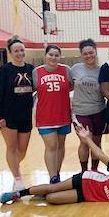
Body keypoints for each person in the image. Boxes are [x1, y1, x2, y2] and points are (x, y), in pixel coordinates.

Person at [0, 125, 109, 204]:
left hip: (87, 196)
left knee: (51, 199)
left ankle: (40, 193)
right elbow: (100, 155)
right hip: (87, 179)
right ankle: (19, 194)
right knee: (52, 188)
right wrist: (87, 139)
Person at [0, 37, 34, 191]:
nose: (20, 53)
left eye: (22, 50)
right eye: (16, 51)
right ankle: (17, 179)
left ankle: (15, 170)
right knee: (11, 148)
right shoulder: (4, 70)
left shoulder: (31, 69)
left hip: (25, 115)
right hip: (8, 116)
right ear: (10, 53)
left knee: (22, 150)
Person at [33, 44, 72, 184]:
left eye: (56, 55)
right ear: (45, 55)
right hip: (45, 116)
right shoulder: (36, 72)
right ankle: (52, 177)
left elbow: (70, 86)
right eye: (51, 54)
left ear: (60, 56)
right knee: (51, 146)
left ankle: (57, 174)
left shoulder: (66, 70)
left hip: (63, 115)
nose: (53, 57)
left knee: (61, 145)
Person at [71, 39, 106, 172]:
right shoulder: (75, 69)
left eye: (91, 52)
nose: (88, 56)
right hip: (80, 112)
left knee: (96, 142)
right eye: (85, 54)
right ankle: (84, 172)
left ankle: (95, 170)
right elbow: (68, 86)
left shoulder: (102, 70)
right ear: (81, 55)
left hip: (99, 111)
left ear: (95, 52)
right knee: (85, 142)